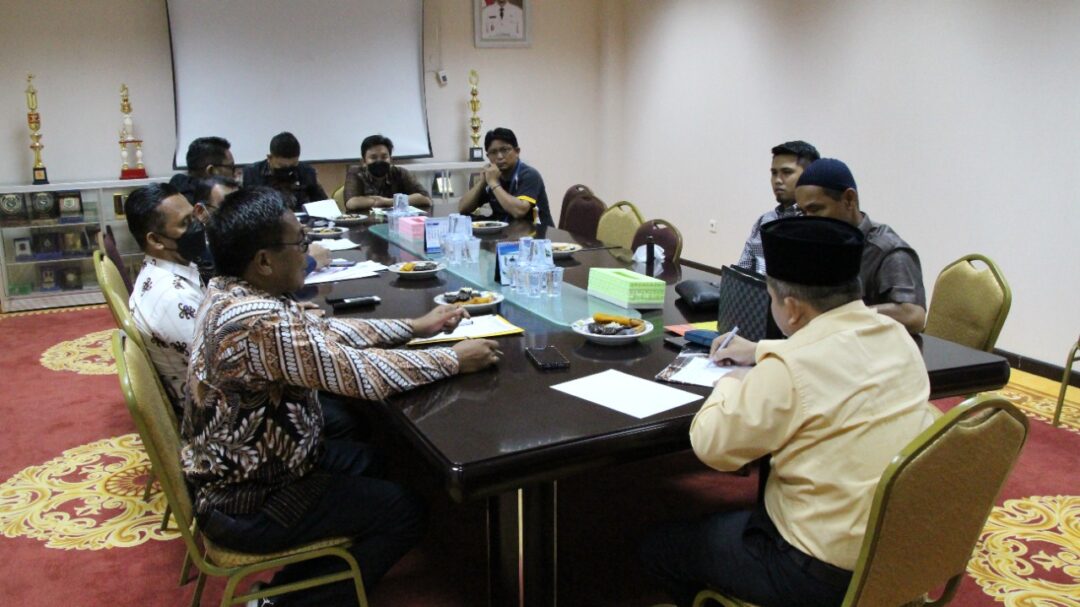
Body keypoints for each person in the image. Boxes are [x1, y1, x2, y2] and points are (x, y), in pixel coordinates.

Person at [182, 187, 501, 605]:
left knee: (379, 459)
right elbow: (361, 374)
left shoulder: (233, 291)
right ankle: (280, 601)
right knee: (404, 511)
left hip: (256, 466)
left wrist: (414, 326)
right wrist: (453, 359)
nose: (307, 251)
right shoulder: (257, 321)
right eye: (299, 243)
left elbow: (325, 333)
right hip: (250, 500)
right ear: (263, 261)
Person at [639, 216, 939, 607]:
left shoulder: (789, 368)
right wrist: (760, 349)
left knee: (659, 549)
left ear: (792, 308)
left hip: (817, 573)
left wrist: (731, 382)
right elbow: (835, 350)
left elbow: (714, 448)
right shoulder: (897, 337)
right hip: (900, 551)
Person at [794, 158, 927, 333]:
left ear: (849, 199)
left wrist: (842, 316)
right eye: (803, 213)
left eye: (816, 209)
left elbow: (913, 315)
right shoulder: (820, 245)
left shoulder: (888, 250)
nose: (808, 221)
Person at [124, 182, 205, 408]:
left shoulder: (165, 268)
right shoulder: (173, 298)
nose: (197, 227)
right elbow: (222, 366)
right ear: (156, 240)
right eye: (185, 223)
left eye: (194, 216)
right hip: (206, 411)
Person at [735, 140, 820, 274]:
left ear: (810, 176)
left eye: (786, 172)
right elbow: (741, 271)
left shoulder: (816, 224)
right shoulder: (764, 221)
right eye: (774, 173)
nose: (777, 180)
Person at [459, 127, 553, 226]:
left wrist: (494, 183)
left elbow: (519, 211)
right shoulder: (492, 176)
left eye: (504, 150)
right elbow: (463, 208)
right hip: (504, 231)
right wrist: (482, 182)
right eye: (493, 152)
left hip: (536, 232)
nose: (499, 156)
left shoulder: (529, 175)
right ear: (488, 156)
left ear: (517, 151)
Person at [343, 135, 432, 211]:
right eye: (373, 157)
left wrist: (386, 201)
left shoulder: (400, 173)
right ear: (363, 162)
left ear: (391, 159)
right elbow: (351, 202)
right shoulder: (356, 173)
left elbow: (426, 199)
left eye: (384, 157)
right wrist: (400, 201)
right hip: (365, 223)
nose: (379, 161)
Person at [243, 131, 328, 210]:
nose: (287, 170)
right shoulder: (252, 173)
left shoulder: (307, 172)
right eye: (282, 166)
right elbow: (245, 207)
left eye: (292, 166)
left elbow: (322, 204)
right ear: (270, 158)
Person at [169, 136, 240, 203]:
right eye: (231, 167)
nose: (235, 173)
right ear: (211, 171)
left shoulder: (177, 188)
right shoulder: (215, 205)